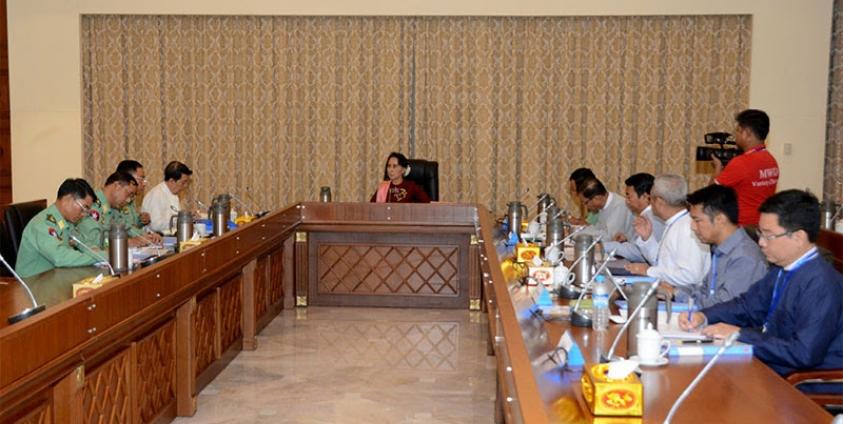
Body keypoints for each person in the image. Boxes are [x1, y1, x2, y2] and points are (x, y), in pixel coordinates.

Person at [680, 190, 843, 377]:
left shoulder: (820, 284)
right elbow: (747, 306)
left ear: (798, 237)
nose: (761, 243)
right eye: (760, 233)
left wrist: (740, 335)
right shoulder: (782, 269)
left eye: (768, 235)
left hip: (806, 379)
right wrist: (704, 316)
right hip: (773, 364)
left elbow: (803, 353)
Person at [625, 174, 709, 295]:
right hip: (668, 292)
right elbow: (662, 263)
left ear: (659, 202)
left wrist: (649, 271)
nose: (650, 203)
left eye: (651, 199)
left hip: (684, 300)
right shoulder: (674, 222)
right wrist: (647, 238)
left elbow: (690, 276)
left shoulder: (687, 227)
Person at [687, 185, 767, 308]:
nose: (693, 227)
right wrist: (673, 290)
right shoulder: (721, 249)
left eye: (697, 220)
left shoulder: (745, 257)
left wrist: (678, 294)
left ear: (720, 219)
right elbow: (705, 291)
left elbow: (724, 307)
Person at [15, 178, 103, 278]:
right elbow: (60, 257)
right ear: (67, 199)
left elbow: (83, 243)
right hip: (32, 284)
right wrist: (100, 257)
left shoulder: (67, 222)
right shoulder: (42, 224)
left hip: (54, 278)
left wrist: (100, 253)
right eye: (83, 208)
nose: (83, 214)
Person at [711, 109, 779, 226]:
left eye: (738, 131)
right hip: (762, 225)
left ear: (747, 133)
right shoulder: (771, 161)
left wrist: (717, 168)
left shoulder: (741, 163)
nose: (735, 135)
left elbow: (711, 194)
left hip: (741, 228)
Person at [78, 171, 161, 247]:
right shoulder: (91, 204)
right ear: (117, 186)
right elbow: (94, 240)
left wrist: (147, 236)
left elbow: (127, 228)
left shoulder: (113, 207)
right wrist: (127, 242)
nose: (128, 200)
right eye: (129, 194)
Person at [602, 173, 665, 262]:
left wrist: (603, 246)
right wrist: (626, 240)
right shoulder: (647, 214)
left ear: (645, 197)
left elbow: (638, 254)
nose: (626, 200)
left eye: (629, 196)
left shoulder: (652, 218)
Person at [577, 176, 635, 242]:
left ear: (597, 197)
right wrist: (576, 232)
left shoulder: (619, 205)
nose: (586, 206)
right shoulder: (603, 205)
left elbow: (609, 237)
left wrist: (579, 235)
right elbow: (597, 228)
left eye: (586, 202)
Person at [142, 161, 193, 233]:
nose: (185, 186)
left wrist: (187, 217)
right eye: (183, 182)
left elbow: (175, 215)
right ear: (172, 181)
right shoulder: (157, 194)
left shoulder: (173, 193)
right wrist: (180, 219)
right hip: (156, 239)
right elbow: (155, 225)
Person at [116, 159, 151, 227]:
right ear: (129, 179)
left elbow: (131, 225)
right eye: (141, 179)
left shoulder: (130, 199)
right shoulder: (115, 201)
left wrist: (140, 220)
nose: (144, 184)